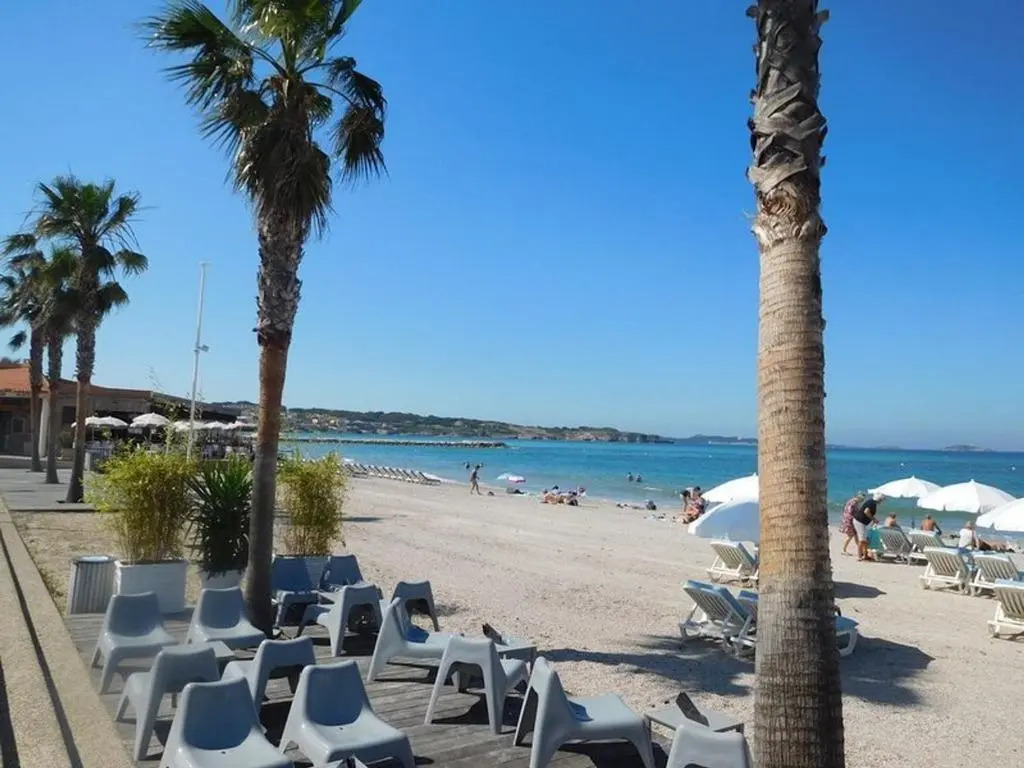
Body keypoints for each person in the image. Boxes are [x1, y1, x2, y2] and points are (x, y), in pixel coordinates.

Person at [853, 492, 884, 561]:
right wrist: (874, 519)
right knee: (862, 540)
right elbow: (866, 511)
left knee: (865, 540)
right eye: (881, 500)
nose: (881, 501)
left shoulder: (872, 502)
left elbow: (867, 512)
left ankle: (865, 555)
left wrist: (873, 520)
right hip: (859, 521)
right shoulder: (872, 503)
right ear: (879, 499)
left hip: (861, 522)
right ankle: (859, 556)